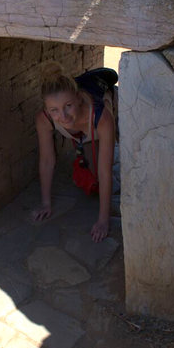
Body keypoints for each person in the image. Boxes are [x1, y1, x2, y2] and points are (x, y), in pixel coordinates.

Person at [31, 61, 117, 243]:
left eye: (67, 105)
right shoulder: (44, 118)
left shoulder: (101, 116)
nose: (63, 116)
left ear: (78, 98)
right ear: (46, 109)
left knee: (100, 178)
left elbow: (105, 170)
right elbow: (47, 160)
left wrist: (103, 221)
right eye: (54, 110)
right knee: (91, 184)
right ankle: (82, 148)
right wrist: (46, 203)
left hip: (100, 113)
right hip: (81, 129)